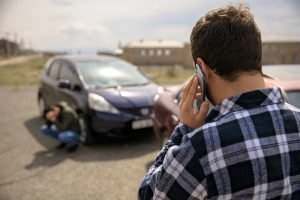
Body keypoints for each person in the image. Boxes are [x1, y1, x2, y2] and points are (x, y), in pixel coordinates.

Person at [139, 4, 300, 200]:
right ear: (257, 55)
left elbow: (149, 194)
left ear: (201, 69)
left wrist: (184, 129)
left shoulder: (201, 147)